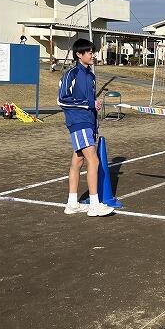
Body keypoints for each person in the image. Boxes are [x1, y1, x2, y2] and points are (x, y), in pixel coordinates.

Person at [58, 38, 114, 217]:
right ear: (79, 54)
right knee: (94, 161)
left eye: (93, 52)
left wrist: (94, 117)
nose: (93, 55)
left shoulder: (91, 75)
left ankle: (72, 204)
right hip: (78, 121)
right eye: (89, 52)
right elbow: (62, 100)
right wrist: (89, 103)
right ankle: (94, 205)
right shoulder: (71, 73)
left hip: (88, 122)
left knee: (78, 161)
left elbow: (90, 102)